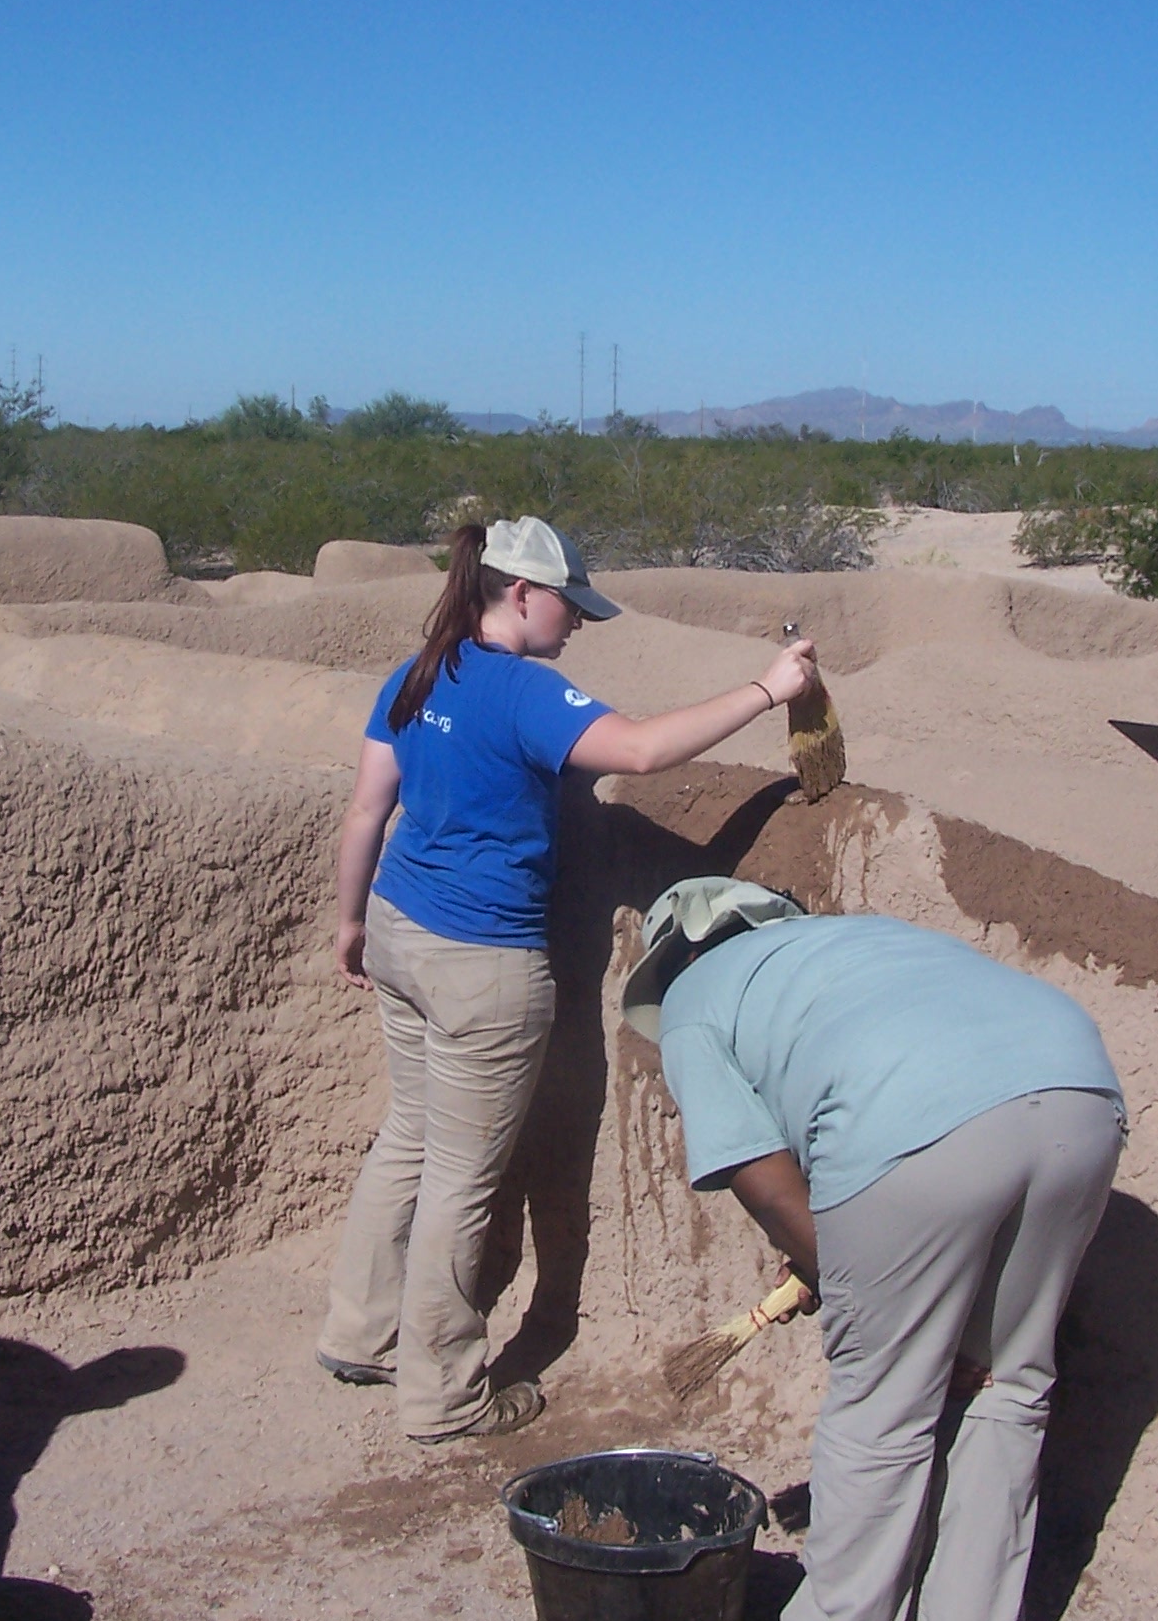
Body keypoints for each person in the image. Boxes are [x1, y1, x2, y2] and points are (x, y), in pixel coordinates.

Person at [315, 515, 819, 1443]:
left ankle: (359, 1330)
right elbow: (639, 751)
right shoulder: (522, 692)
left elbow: (363, 812)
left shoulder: (419, 672)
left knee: (411, 1137)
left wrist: (350, 923)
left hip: (398, 929)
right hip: (483, 964)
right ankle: (443, 1397)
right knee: (465, 1180)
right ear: (520, 593)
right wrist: (767, 687)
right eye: (570, 605)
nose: (578, 622)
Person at [622, 877, 1127, 1621]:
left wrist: (841, 1275)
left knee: (885, 1405)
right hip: (1082, 1099)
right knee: (1006, 1388)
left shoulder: (694, 1000)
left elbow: (760, 1180)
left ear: (675, 959)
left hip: (920, 1133)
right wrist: (854, 1263)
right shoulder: (862, 942)